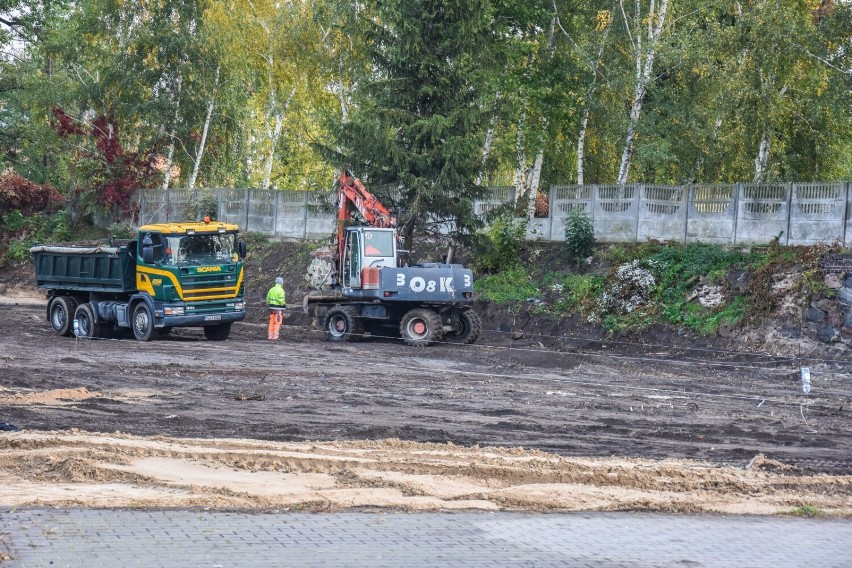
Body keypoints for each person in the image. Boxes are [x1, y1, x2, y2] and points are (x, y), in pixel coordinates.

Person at [266, 276, 286, 341]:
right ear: (281, 283)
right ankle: (275, 336)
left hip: (271, 309)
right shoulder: (281, 290)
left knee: (271, 322)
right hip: (278, 309)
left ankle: (270, 336)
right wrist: (283, 305)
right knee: (277, 323)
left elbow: (267, 300)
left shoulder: (271, 289)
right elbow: (281, 301)